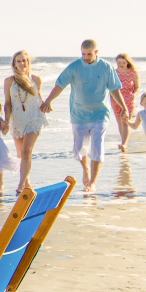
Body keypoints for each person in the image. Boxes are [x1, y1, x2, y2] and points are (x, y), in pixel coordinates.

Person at [40, 39, 126, 190]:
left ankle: (93, 182)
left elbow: (114, 89)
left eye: (89, 54)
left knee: (97, 148)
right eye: (83, 54)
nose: (86, 57)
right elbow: (60, 85)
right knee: (79, 149)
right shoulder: (74, 67)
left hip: (101, 114)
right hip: (78, 114)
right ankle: (85, 169)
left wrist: (124, 107)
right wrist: (48, 101)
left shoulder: (106, 67)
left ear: (96, 52)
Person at [2, 49, 49, 193]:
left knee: (27, 151)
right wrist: (7, 121)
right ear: (14, 64)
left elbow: (39, 97)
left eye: (25, 60)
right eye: (19, 61)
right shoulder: (9, 81)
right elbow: (8, 103)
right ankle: (27, 183)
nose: (22, 63)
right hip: (17, 120)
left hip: (34, 118)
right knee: (21, 153)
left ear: (28, 63)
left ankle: (21, 185)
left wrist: (46, 104)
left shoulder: (36, 79)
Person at [111, 53, 140, 152]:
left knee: (125, 122)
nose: (121, 64)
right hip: (116, 100)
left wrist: (134, 95)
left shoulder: (133, 73)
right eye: (119, 62)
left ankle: (124, 144)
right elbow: (110, 87)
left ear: (127, 62)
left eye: (123, 62)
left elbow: (137, 87)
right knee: (119, 122)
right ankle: (124, 141)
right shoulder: (113, 73)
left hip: (129, 100)